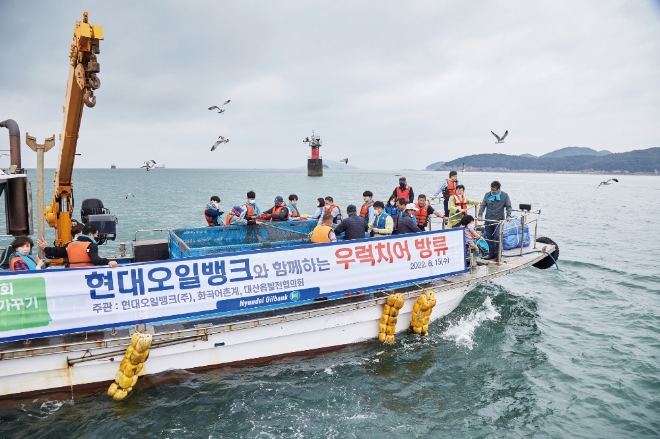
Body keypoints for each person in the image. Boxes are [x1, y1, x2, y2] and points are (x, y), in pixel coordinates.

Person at [44, 224, 118, 268]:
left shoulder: (70, 245)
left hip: (74, 274)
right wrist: (108, 262)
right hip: (87, 274)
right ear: (90, 235)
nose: (97, 236)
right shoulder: (91, 246)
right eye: (96, 234)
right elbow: (95, 260)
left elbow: (57, 252)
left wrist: (45, 248)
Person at [477, 181, 512, 260]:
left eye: (494, 190)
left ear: (498, 189)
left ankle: (498, 254)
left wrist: (508, 216)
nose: (492, 191)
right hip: (488, 220)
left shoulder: (505, 196)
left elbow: (508, 207)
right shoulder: (487, 195)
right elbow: (483, 205)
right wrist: (480, 215)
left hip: (498, 220)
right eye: (491, 189)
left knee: (497, 237)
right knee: (488, 237)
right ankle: (491, 253)